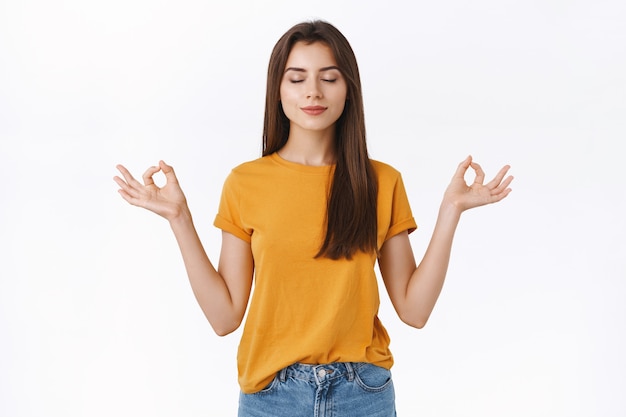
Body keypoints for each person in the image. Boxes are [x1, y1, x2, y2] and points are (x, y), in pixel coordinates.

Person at [114, 20, 513, 417]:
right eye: (297, 78)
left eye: (329, 78)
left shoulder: (381, 182)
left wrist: (450, 211)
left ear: (348, 89)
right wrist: (179, 218)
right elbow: (224, 317)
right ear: (278, 90)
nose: (313, 92)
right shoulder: (245, 182)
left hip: (363, 393)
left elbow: (414, 310)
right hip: (272, 396)